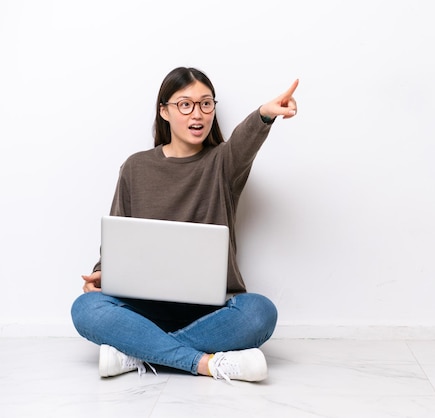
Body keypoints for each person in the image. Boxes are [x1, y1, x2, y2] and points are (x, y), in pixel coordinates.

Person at [71, 67, 298, 382]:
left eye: (206, 104)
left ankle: (136, 352)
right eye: (185, 104)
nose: (198, 114)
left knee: (260, 312)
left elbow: (244, 143)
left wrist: (264, 115)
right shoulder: (136, 167)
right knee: (86, 308)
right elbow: (117, 236)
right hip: (145, 309)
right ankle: (206, 363)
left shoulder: (222, 163)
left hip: (210, 311)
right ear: (164, 111)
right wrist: (103, 272)